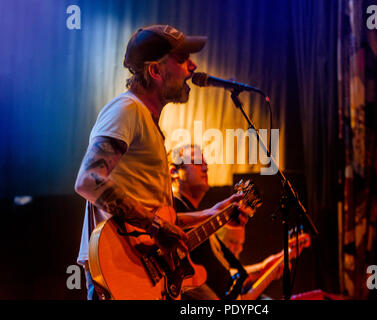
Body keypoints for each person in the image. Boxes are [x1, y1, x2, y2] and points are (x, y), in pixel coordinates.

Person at [74, 25, 248, 300]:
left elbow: (156, 216)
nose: (192, 67)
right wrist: (156, 225)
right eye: (181, 59)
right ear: (155, 71)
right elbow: (88, 181)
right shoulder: (126, 109)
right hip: (121, 272)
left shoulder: (148, 123)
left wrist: (213, 213)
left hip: (145, 274)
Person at [169, 144, 284, 300]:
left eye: (206, 164)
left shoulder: (198, 220)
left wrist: (264, 267)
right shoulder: (171, 207)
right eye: (197, 162)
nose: (205, 168)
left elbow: (224, 275)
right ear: (174, 172)